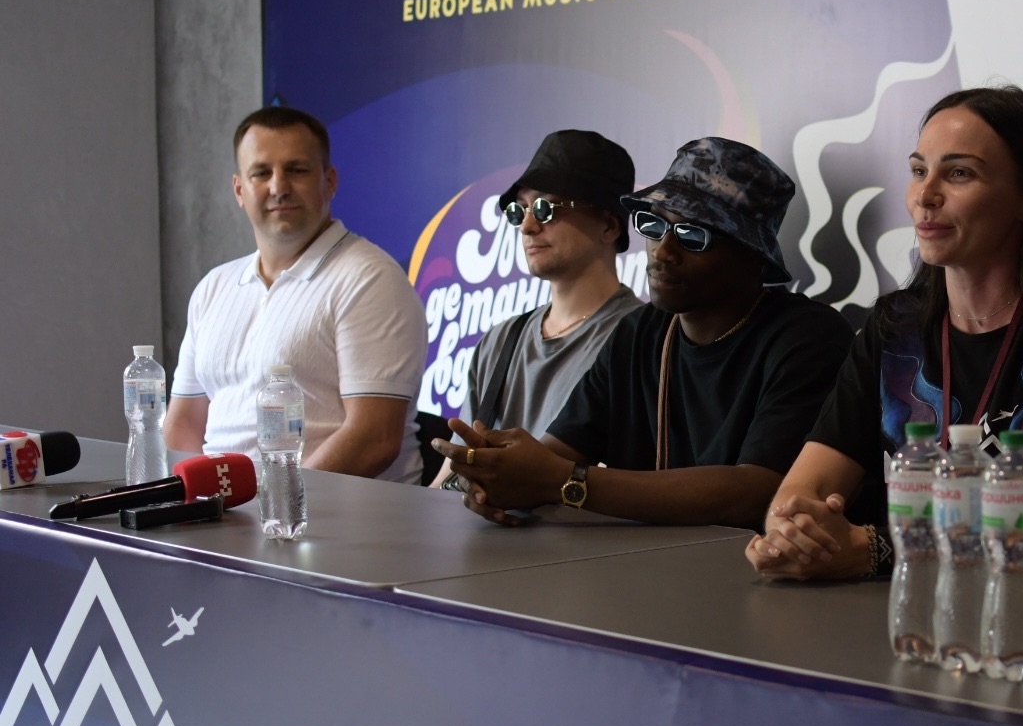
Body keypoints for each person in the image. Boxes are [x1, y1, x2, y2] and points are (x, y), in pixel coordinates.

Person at [746, 84, 1023, 581]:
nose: (925, 195)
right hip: (907, 613)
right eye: (918, 171)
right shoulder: (895, 327)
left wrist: (878, 550)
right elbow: (802, 491)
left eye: (959, 173)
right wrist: (792, 533)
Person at [434, 137, 853, 526]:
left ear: (752, 256)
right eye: (654, 225)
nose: (663, 251)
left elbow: (760, 491)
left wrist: (564, 482)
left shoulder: (809, 337)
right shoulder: (638, 333)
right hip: (637, 569)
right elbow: (555, 455)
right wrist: (500, 475)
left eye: (693, 235)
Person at [166, 106, 427, 482]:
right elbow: (183, 427)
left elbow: (374, 440)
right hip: (225, 509)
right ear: (239, 190)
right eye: (261, 173)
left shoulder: (370, 279)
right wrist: (188, 501)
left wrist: (273, 503)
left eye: (297, 170)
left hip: (335, 515)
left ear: (329, 181)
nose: (279, 187)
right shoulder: (213, 287)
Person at [429, 130, 641, 489]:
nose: (527, 226)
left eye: (546, 208)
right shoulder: (501, 339)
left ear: (608, 225)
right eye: (519, 210)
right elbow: (452, 473)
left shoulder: (642, 340)